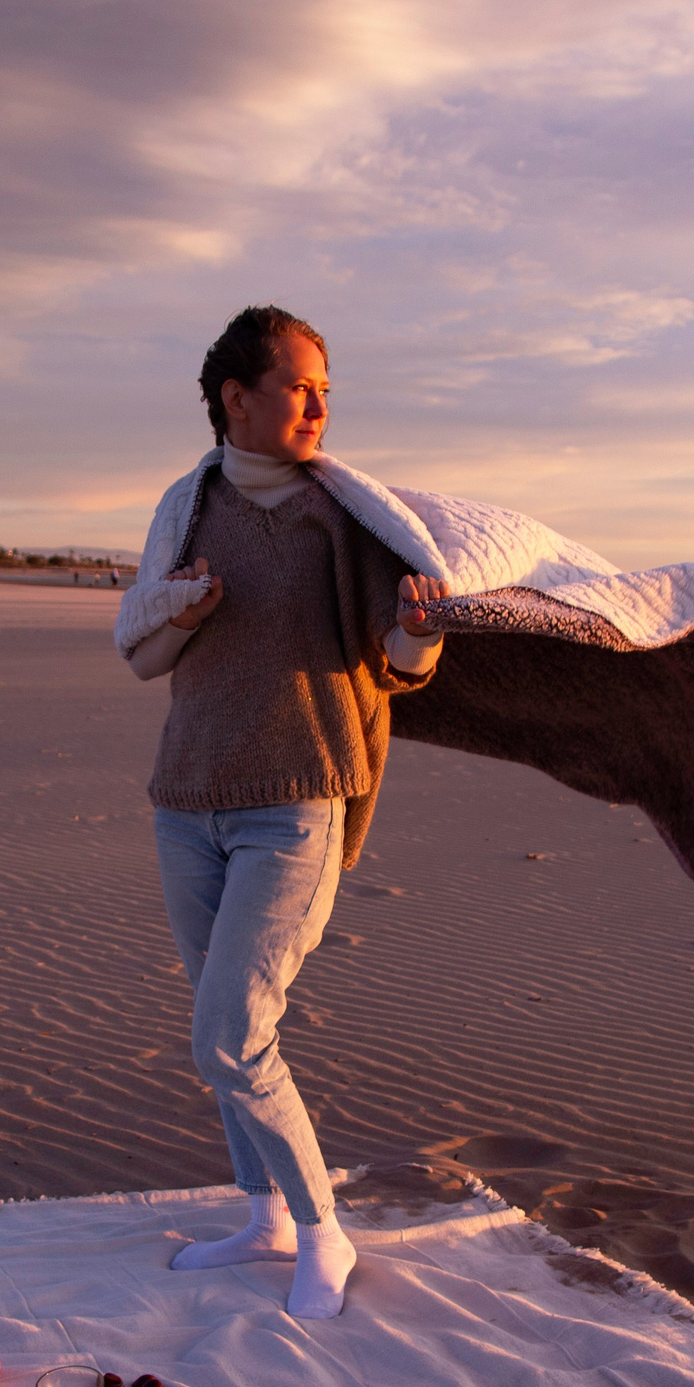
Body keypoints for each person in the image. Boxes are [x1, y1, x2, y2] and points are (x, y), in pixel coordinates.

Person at [120, 305, 450, 1319]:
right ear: (237, 399)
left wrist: (419, 634)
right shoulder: (186, 507)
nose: (317, 407)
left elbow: (394, 666)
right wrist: (182, 607)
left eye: (324, 393)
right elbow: (142, 652)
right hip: (188, 800)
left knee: (230, 1032)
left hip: (296, 802)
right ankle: (261, 1215)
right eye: (299, 388)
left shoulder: (336, 516)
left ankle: (322, 1230)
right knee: (220, 1026)